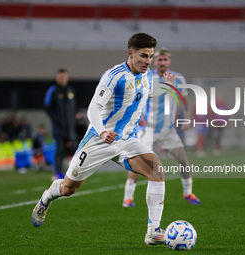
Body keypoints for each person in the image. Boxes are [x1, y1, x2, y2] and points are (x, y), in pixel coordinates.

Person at [32, 33, 174, 246]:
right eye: (143, 56)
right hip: (100, 140)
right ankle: (47, 197)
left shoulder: (145, 76)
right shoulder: (114, 76)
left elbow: (142, 94)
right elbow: (93, 108)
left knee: (156, 170)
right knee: (68, 189)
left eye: (151, 56)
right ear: (130, 53)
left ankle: (153, 232)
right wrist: (101, 131)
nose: (148, 61)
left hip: (127, 140)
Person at [122, 48, 201, 208]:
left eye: (165, 60)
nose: (162, 62)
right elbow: (136, 98)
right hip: (147, 129)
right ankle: (128, 198)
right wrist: (139, 117)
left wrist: (186, 119)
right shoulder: (146, 76)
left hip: (167, 130)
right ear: (154, 61)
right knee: (138, 164)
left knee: (183, 160)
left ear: (169, 61)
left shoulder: (178, 78)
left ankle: (188, 193)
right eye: (159, 60)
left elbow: (183, 100)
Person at [44, 69, 79, 180]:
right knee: (59, 150)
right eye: (60, 77)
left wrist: (76, 114)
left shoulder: (70, 90)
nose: (62, 79)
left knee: (76, 150)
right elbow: (46, 106)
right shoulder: (53, 91)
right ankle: (57, 173)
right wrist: (57, 119)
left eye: (64, 77)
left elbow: (74, 107)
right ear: (57, 78)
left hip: (70, 128)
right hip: (59, 128)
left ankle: (76, 171)